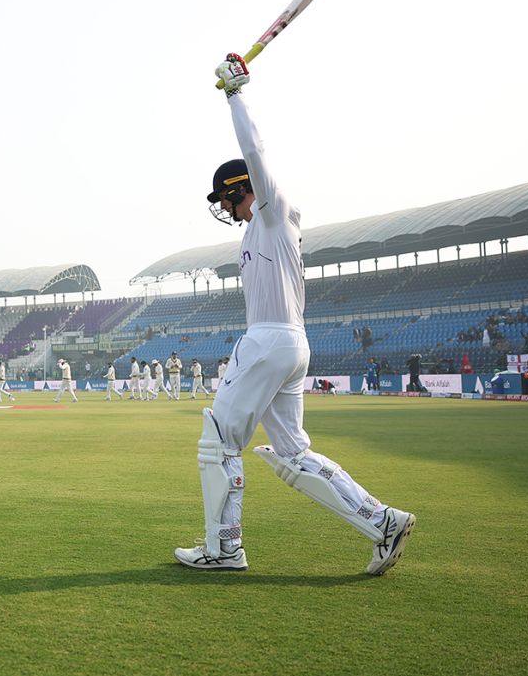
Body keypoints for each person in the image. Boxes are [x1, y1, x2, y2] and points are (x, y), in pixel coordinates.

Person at [173, 54, 414, 575]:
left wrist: (235, 94)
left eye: (225, 197)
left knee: (218, 443)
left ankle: (224, 549)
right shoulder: (259, 229)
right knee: (294, 453)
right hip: (292, 344)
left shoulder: (272, 211)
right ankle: (382, 520)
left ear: (241, 190)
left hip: (267, 341)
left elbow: (254, 151)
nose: (224, 206)